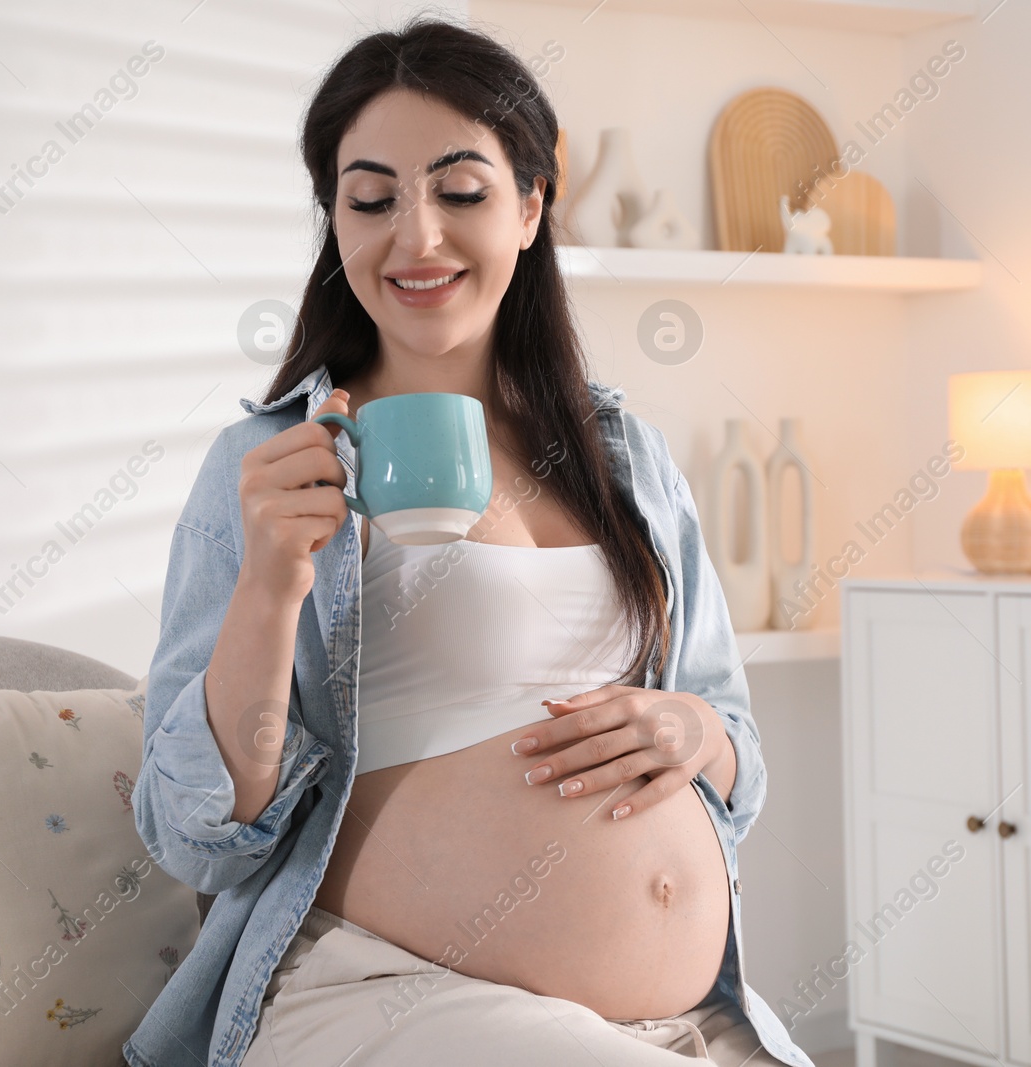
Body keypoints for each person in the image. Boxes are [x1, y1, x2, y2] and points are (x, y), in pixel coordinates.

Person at [122, 15, 813, 1067]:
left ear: (530, 207)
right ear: (333, 221)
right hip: (387, 989)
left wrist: (693, 735)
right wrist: (268, 589)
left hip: (686, 1015)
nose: (418, 238)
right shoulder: (266, 467)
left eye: (460, 190)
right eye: (370, 199)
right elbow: (198, 835)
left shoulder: (626, 459)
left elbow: (735, 751)